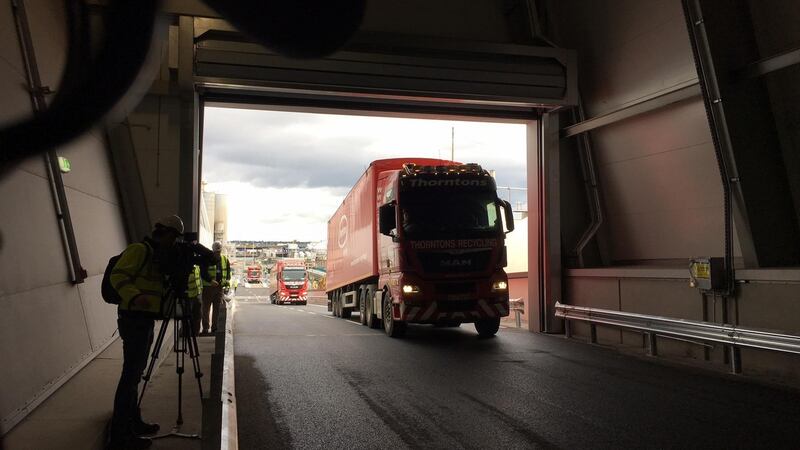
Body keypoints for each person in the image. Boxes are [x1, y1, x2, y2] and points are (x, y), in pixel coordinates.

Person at [107, 215, 184, 450]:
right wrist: (136, 296)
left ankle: (134, 422)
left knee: (136, 374)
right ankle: (120, 436)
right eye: (174, 237)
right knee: (130, 376)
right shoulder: (139, 250)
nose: (174, 243)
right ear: (167, 233)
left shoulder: (157, 257)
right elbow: (117, 275)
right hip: (133, 319)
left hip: (145, 320)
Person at [202, 241, 230, 334]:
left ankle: (215, 328)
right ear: (212, 250)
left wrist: (225, 283)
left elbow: (228, 275)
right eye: (216, 252)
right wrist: (210, 280)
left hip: (219, 288)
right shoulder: (207, 259)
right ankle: (205, 328)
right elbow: (203, 273)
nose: (217, 253)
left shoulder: (225, 260)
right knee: (206, 309)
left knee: (217, 309)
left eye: (219, 251)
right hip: (208, 288)